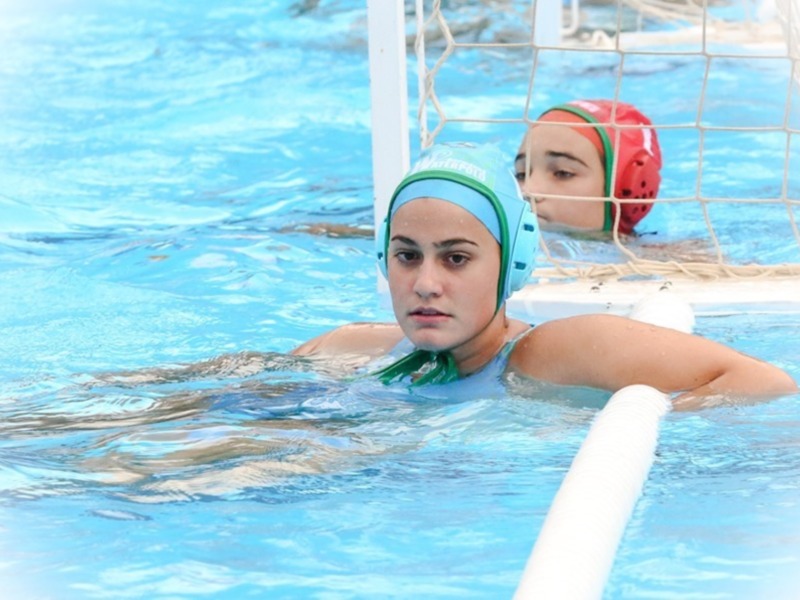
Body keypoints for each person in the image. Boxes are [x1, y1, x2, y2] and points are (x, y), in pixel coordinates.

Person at [292, 142, 796, 408]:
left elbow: (763, 381)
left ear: (512, 264)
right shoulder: (348, 347)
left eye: (456, 258)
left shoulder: (557, 350)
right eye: (407, 255)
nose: (425, 283)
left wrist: (630, 435)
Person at [515, 99, 662, 235]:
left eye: (562, 173)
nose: (527, 191)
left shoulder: (665, 261)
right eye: (521, 174)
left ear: (627, 191)